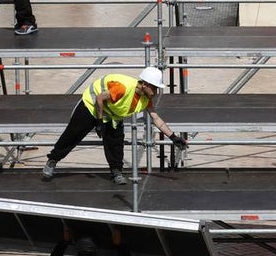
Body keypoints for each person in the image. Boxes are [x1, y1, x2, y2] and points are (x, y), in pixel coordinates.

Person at [41, 67, 188, 185]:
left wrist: (173, 137)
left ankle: (116, 171)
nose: (156, 92)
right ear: (144, 84)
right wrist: (99, 121)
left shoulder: (145, 99)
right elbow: (99, 98)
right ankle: (52, 160)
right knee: (73, 135)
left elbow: (156, 118)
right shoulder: (123, 88)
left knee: (115, 143)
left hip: (112, 115)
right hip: (91, 106)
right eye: (154, 88)